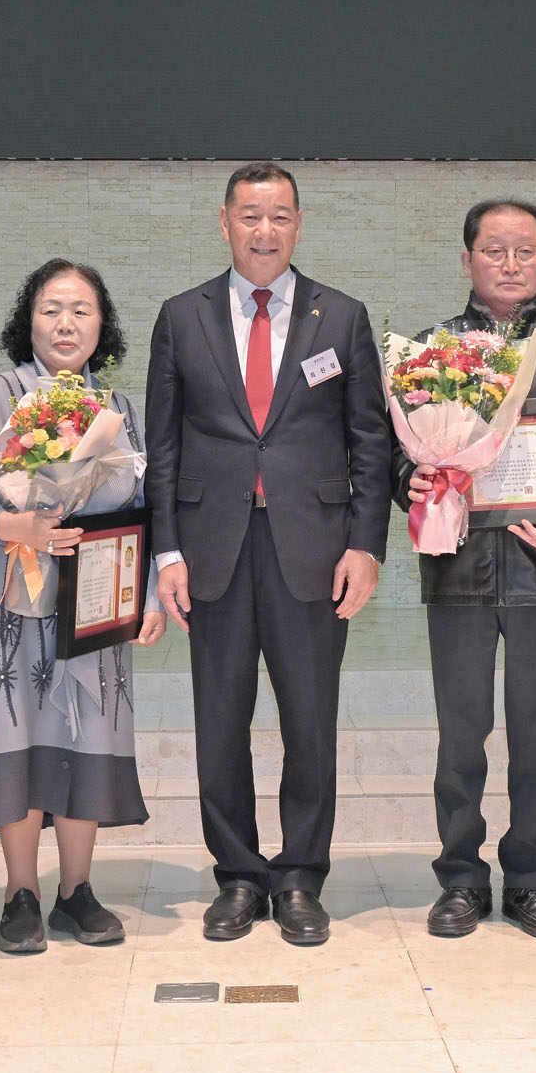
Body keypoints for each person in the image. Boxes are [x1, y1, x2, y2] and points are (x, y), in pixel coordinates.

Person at [146, 162, 392, 946]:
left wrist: (365, 545)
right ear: (224, 223)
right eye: (250, 215)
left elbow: (370, 441)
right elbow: (162, 445)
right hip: (211, 547)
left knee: (309, 720)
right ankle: (239, 876)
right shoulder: (181, 316)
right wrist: (166, 552)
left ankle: (300, 877)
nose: (265, 230)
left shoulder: (341, 316)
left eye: (280, 215)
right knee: (219, 719)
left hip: (313, 549)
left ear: (299, 224)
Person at [395, 199, 536, 940]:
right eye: (495, 250)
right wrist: (411, 481)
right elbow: (399, 451)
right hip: (457, 567)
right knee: (460, 735)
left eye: (525, 250)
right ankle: (460, 878)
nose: (511, 264)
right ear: (467, 260)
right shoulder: (431, 351)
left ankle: (530, 882)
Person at [0, 259, 165, 953]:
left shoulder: (120, 410)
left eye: (81, 310)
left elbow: (144, 508)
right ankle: (20, 892)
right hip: (16, 600)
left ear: (103, 325)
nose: (66, 324)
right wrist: (17, 524)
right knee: (17, 730)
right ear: (28, 320)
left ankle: (76, 890)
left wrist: (148, 596)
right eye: (51, 310)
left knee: (87, 734)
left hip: (100, 603)